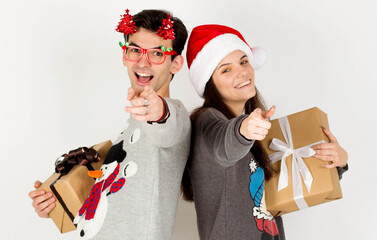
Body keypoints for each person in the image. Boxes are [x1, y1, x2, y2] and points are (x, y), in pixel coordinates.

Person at [28, 9, 190, 239]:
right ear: (125, 56)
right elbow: (107, 208)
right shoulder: (129, 130)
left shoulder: (175, 115)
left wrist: (158, 110)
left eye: (157, 54)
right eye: (135, 50)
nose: (143, 62)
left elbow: (167, 123)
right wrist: (56, 202)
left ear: (175, 64)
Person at [181, 24, 348, 240]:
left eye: (243, 61)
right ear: (208, 82)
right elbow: (225, 146)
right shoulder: (208, 120)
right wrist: (243, 130)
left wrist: (338, 162)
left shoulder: (259, 130)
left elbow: (289, 184)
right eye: (226, 69)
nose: (242, 72)